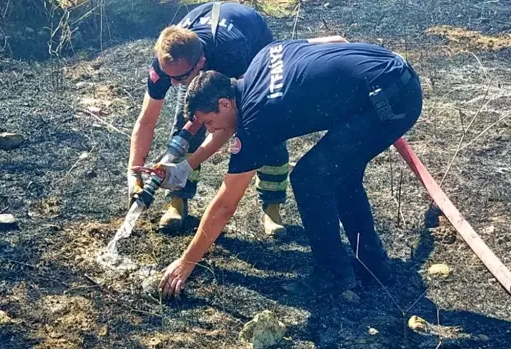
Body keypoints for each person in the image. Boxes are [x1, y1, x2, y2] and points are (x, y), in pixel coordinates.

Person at [155, 36, 424, 299]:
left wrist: (186, 262)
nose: (213, 131)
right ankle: (373, 265)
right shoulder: (263, 57)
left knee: (310, 178)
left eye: (210, 123)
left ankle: (333, 274)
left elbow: (226, 204)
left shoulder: (256, 120)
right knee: (340, 175)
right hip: (392, 71)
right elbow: (336, 40)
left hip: (391, 100)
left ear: (224, 104)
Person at [127, 1, 289, 236]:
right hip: (205, 44)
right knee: (184, 120)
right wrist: (133, 173)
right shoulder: (169, 63)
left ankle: (272, 206)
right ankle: (178, 201)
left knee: (265, 124)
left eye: (179, 78)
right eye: (168, 77)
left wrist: (186, 165)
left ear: (200, 63)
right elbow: (146, 120)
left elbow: (229, 123)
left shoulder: (231, 54)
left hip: (253, 43)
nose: (172, 83)